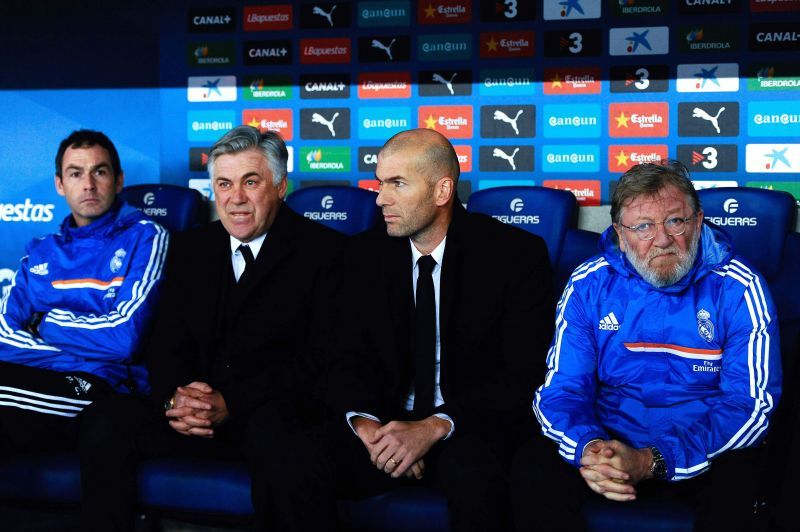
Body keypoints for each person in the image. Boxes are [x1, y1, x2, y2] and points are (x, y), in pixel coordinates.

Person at [250, 128, 554, 531]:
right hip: (385, 425)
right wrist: (367, 426)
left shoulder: (515, 254)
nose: (380, 199)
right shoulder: (363, 255)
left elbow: (524, 374)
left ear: (442, 190)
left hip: (467, 427)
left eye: (397, 184)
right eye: (379, 183)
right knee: (291, 465)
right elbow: (342, 357)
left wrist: (431, 429)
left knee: (478, 479)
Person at [79, 126, 344, 531]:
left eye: (250, 182)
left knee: (282, 441)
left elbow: (320, 362)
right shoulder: (191, 247)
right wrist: (177, 398)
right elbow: (164, 344)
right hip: (191, 415)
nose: (235, 198)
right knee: (107, 420)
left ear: (280, 186)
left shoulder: (325, 252)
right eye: (224, 184)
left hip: (267, 415)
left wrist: (231, 402)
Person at [512, 160, 781, 531]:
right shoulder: (589, 284)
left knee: (742, 479)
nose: (662, 239)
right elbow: (562, 391)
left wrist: (653, 459)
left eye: (676, 221)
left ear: (699, 222)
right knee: (533, 471)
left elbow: (748, 407)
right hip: (610, 442)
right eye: (643, 226)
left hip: (703, 451)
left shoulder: (738, 286)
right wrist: (590, 450)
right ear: (621, 236)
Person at [0, 129, 167, 455]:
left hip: (106, 389)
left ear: (118, 181)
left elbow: (124, 339)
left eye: (99, 171)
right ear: (60, 184)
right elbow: (4, 335)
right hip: (37, 381)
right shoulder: (39, 252)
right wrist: (77, 353)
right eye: (76, 173)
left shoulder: (145, 237)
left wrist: (42, 323)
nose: (88, 184)